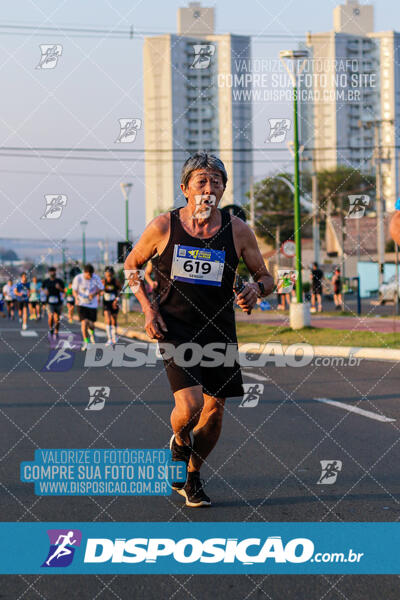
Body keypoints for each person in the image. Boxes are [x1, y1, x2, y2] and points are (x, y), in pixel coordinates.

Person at [124, 152, 274, 507]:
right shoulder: (164, 226)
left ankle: (192, 475)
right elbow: (131, 266)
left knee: (215, 409)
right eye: (201, 182)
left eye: (216, 182)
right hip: (174, 326)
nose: (209, 188)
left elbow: (265, 277)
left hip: (219, 329)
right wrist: (147, 309)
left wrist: (257, 289)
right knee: (190, 406)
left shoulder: (237, 230)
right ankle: (179, 440)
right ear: (185, 188)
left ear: (223, 188)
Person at [72, 264, 104, 351]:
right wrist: (76, 297)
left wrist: (94, 294)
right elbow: (74, 290)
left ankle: (92, 333)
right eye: (88, 275)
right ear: (84, 273)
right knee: (84, 323)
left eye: (91, 275)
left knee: (91, 324)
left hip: (92, 304)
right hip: (81, 304)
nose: (89, 277)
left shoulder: (96, 278)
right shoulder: (78, 278)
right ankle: (86, 342)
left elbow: (101, 288)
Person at [42, 267, 65, 339]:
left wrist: (59, 288)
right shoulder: (46, 281)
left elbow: (64, 291)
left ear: (55, 272)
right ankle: (51, 328)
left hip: (58, 301)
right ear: (49, 273)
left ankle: (56, 331)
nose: (52, 273)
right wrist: (45, 291)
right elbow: (42, 288)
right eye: (51, 271)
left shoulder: (59, 281)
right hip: (49, 302)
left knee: (57, 318)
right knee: (51, 316)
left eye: (53, 271)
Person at [102, 266, 121, 346]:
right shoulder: (103, 282)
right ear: (105, 275)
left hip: (114, 302)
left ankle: (114, 336)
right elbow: (99, 290)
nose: (108, 277)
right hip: (106, 303)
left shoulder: (115, 281)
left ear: (112, 274)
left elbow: (121, 290)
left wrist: (117, 299)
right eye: (107, 275)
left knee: (114, 320)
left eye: (110, 275)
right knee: (108, 320)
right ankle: (109, 339)